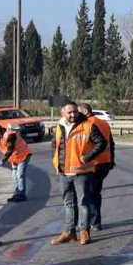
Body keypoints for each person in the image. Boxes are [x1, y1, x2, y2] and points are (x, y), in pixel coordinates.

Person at [50, 102, 107, 246]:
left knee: (83, 203)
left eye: (75, 111)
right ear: (62, 113)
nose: (73, 115)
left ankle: (84, 232)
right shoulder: (59, 126)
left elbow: (102, 143)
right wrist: (56, 162)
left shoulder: (87, 125)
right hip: (64, 172)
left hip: (82, 172)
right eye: (69, 112)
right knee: (68, 203)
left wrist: (87, 157)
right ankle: (69, 232)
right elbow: (55, 145)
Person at [77, 103, 115, 231]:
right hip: (105, 162)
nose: (76, 115)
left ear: (86, 111)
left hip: (93, 163)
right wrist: (111, 161)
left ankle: (94, 221)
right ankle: (95, 220)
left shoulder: (87, 125)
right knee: (96, 193)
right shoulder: (104, 123)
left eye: (79, 112)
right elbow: (111, 143)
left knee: (89, 194)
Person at [0, 124, 33, 202]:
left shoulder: (9, 135)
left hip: (24, 155)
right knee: (14, 176)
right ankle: (17, 194)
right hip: (15, 158)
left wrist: (2, 160)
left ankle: (22, 195)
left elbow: (10, 149)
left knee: (19, 175)